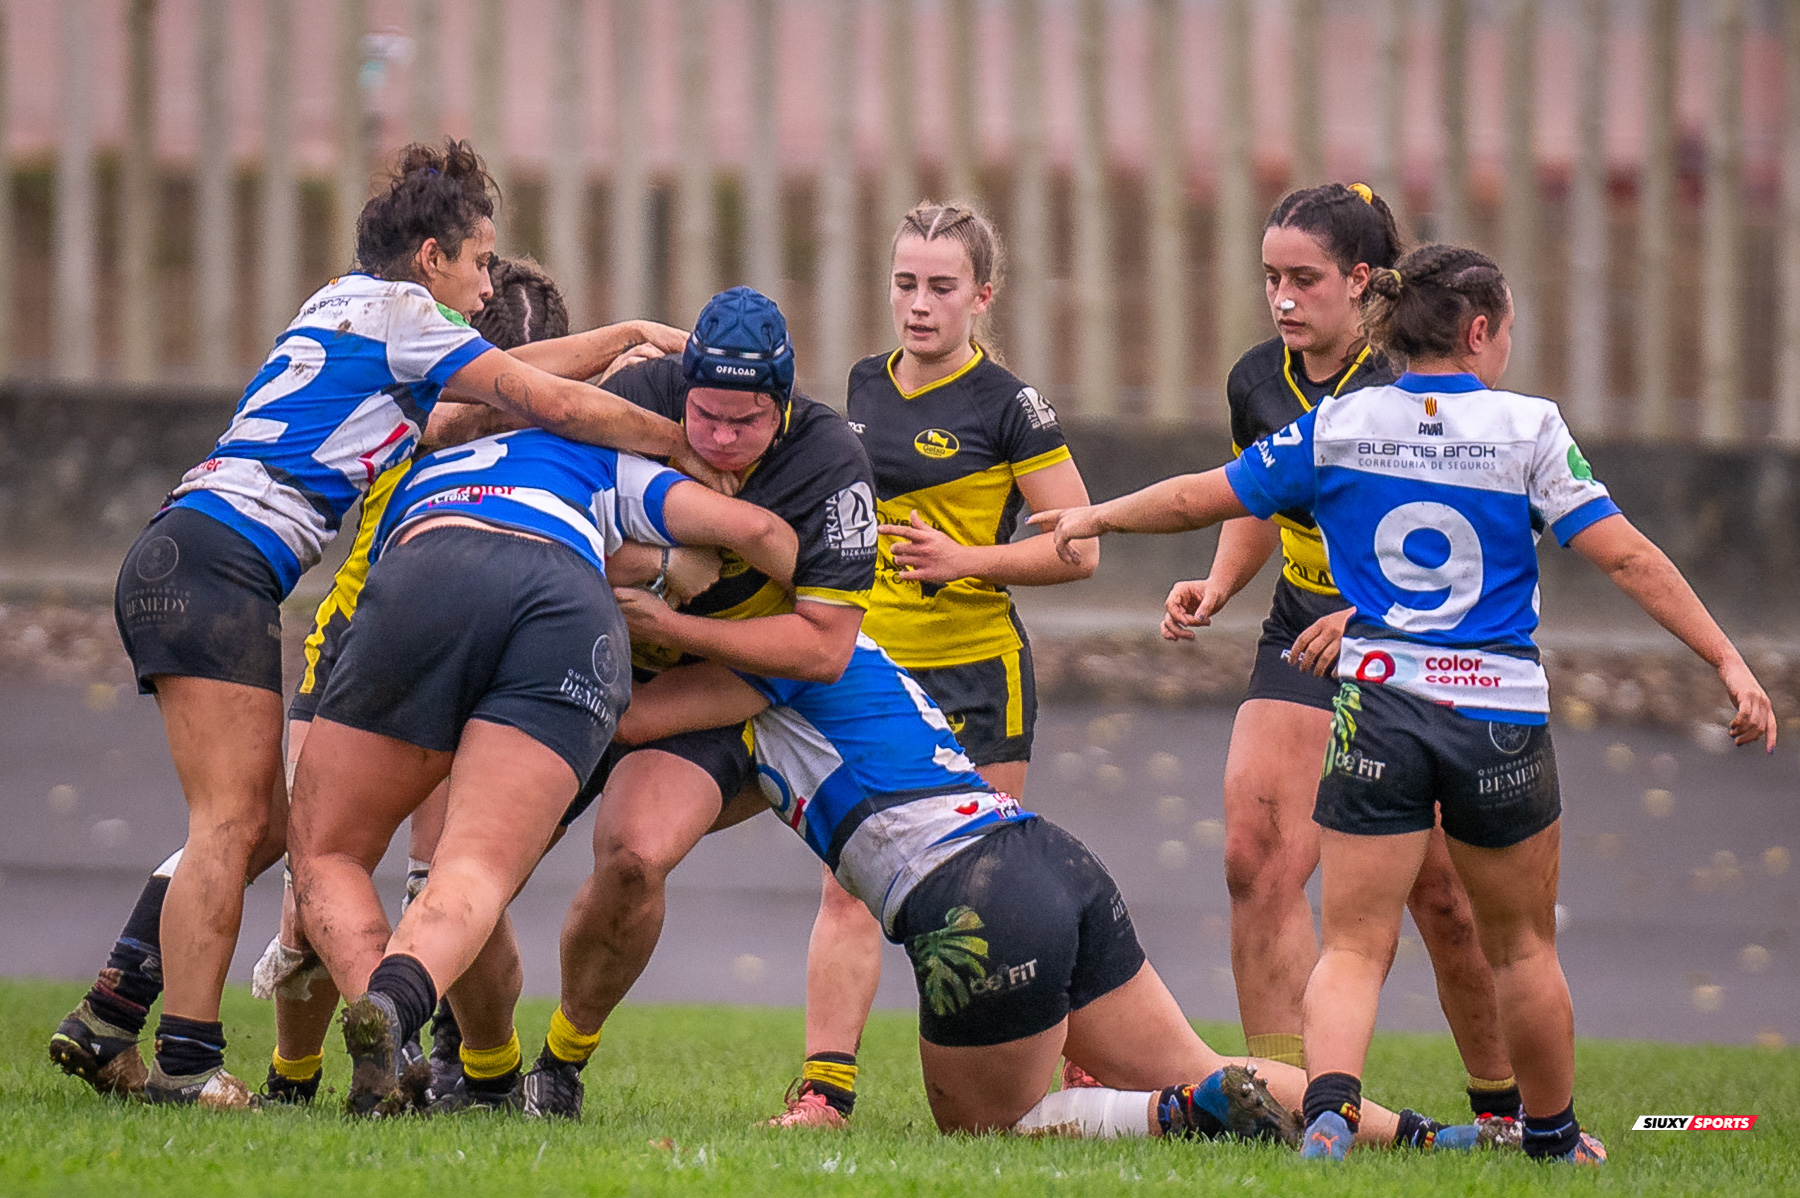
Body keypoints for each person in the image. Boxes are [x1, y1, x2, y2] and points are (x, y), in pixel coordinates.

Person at [1029, 243, 1778, 1163]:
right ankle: (1551, 1138)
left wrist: (1096, 516)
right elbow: (1626, 556)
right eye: (1506, 330)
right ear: (1478, 332)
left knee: (1350, 945)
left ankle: (1332, 1122)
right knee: (1523, 950)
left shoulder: (1338, 424)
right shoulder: (1529, 428)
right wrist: (1727, 660)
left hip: (1377, 706)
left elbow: (1203, 495)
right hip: (1498, 716)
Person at [49, 139, 701, 1107]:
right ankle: (186, 1065)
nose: (487, 286)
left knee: (266, 821)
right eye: (480, 260)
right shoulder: (412, 320)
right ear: (432, 256)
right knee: (233, 821)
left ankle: (111, 1011)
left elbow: (473, 398)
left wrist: (618, 336)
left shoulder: (341, 301)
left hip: (182, 547)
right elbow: (539, 397)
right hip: (222, 557)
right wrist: (690, 442)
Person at [586, 637, 1506, 1153]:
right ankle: (1443, 1143)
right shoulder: (850, 647)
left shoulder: (764, 661)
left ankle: (1180, 1117)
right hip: (1053, 860)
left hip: (972, 901)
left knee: (986, 1129)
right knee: (1197, 1055)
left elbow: (621, 716)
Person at [287, 418, 797, 1116]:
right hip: (560, 602)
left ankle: (395, 1032)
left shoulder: (420, 458)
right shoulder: (600, 453)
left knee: (328, 852)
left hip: (422, 569)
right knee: (475, 871)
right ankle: (398, 1006)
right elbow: (761, 534)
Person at [1163, 183, 1515, 1116]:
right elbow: (1260, 495)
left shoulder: (1411, 384)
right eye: (1271, 277)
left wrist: (1367, 619)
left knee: (1441, 896)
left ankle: (1505, 1109)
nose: (1282, 298)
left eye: (1304, 279)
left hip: (1415, 642)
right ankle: (1284, 1100)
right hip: (1300, 632)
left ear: (1362, 282)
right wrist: (1219, 581)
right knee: (1254, 858)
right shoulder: (1257, 380)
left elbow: (1468, 539)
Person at [766, 200, 1103, 1128]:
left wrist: (972, 562)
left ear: (981, 296)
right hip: (869, 679)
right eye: (906, 283)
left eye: (941, 287)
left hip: (975, 675)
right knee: (847, 887)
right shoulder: (863, 384)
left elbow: (1081, 550)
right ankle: (824, 1096)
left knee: (991, 898)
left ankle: (1072, 1073)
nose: (919, 304)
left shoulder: (1012, 407)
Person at [521, 287, 882, 1119]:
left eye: (744, 423)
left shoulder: (831, 465)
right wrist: (650, 567)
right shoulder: (636, 399)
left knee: (636, 855)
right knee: (484, 858)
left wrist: (672, 618)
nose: (719, 438)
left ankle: (560, 1064)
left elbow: (825, 647)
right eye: (705, 416)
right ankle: (467, 1059)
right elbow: (536, 521)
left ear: (783, 406)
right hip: (584, 662)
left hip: (712, 692)